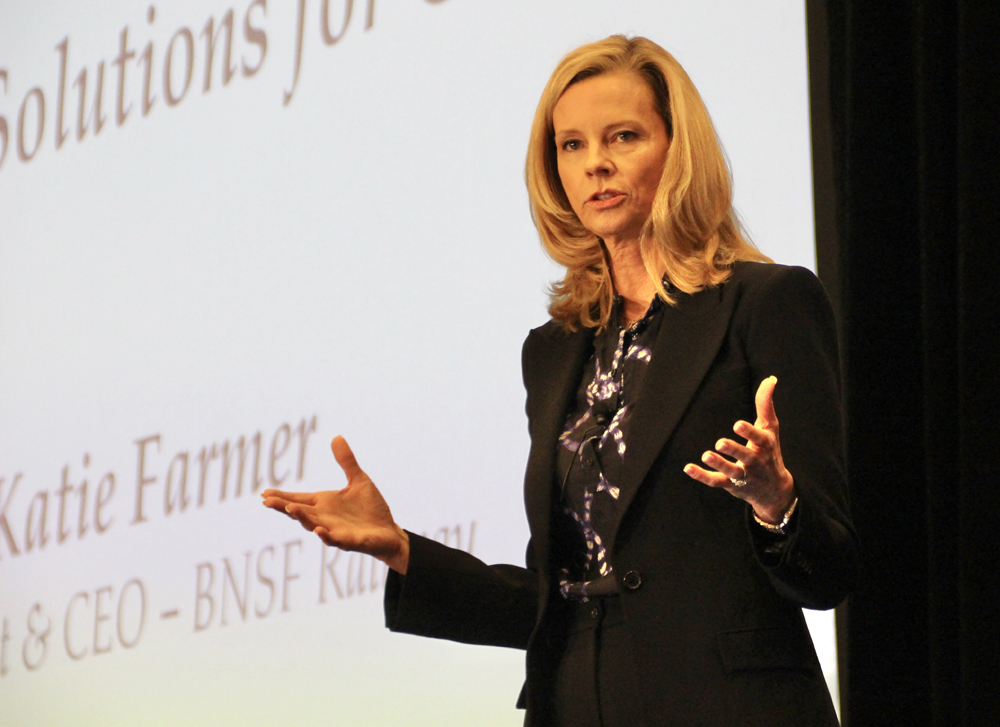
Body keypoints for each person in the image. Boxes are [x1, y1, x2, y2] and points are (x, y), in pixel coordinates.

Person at [262, 35, 858, 727]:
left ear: (677, 150)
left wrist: (774, 503)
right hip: (575, 702)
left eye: (623, 136)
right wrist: (401, 548)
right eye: (570, 145)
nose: (595, 163)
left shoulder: (765, 304)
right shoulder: (553, 351)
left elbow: (831, 570)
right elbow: (556, 601)